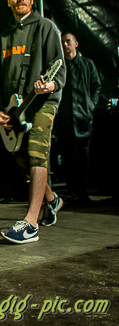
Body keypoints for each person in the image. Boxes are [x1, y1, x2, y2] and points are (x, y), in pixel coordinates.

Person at [0, 0, 66, 244]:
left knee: (36, 154)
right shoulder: (4, 37)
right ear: (8, 2)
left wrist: (50, 85)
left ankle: (30, 224)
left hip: (43, 103)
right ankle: (51, 200)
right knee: (23, 161)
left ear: (32, 0)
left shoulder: (45, 27)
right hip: (16, 110)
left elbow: (59, 66)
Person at [53, 32, 101, 202]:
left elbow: (96, 86)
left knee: (83, 156)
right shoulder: (59, 67)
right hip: (65, 119)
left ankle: (81, 189)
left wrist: (90, 106)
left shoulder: (87, 64)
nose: (65, 45)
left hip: (83, 118)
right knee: (67, 156)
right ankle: (71, 189)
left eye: (68, 41)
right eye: (63, 42)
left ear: (76, 43)